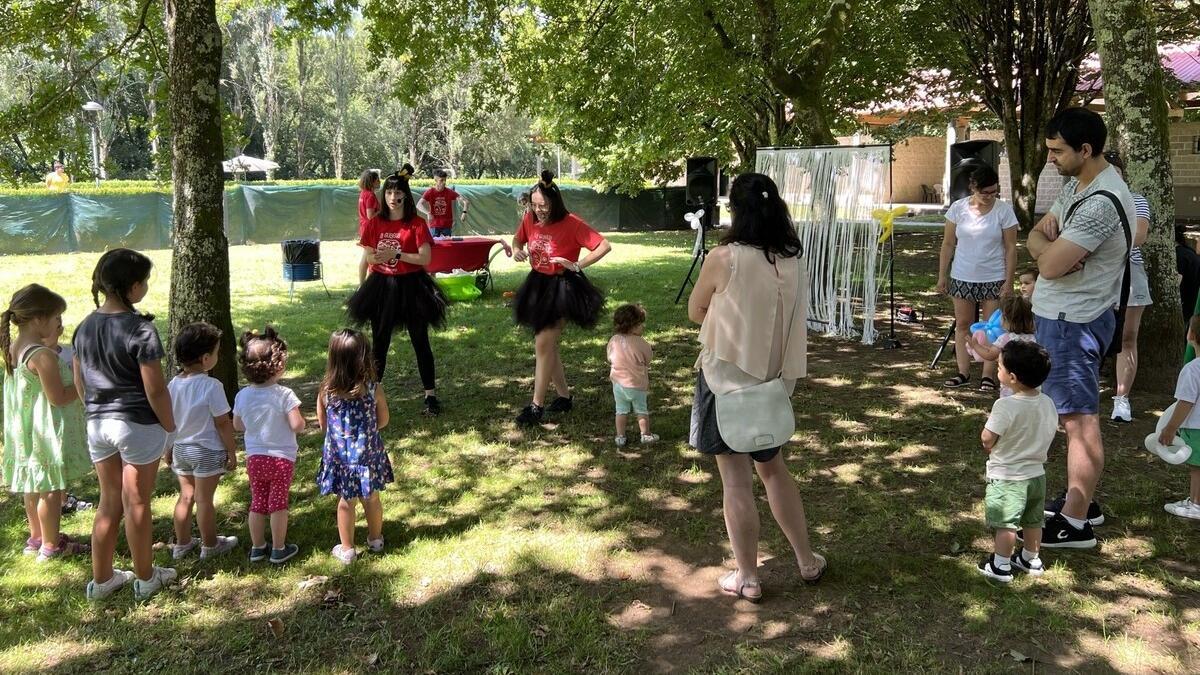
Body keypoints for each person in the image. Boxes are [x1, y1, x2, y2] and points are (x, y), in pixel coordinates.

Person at [687, 172, 825, 602]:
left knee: (735, 482)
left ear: (735, 210)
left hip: (723, 381)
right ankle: (806, 559)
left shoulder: (724, 257)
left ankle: (747, 576)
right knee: (774, 469)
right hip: (772, 382)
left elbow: (696, 312)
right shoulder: (791, 258)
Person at [1025, 107, 1135, 549]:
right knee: (1071, 416)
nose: (1050, 158)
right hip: (1064, 317)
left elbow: (1049, 264)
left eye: (1057, 150)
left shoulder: (1101, 202)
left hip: (1075, 322)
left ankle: (1075, 523)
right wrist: (1045, 244)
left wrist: (1046, 249)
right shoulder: (1076, 184)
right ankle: (1082, 502)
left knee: (1077, 420)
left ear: (1085, 150)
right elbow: (1037, 236)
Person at [72, 249, 177, 600]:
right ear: (133, 287)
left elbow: (80, 382)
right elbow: (156, 389)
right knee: (138, 504)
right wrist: (170, 426)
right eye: (144, 281)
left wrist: (96, 411)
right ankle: (146, 578)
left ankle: (101, 581)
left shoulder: (83, 326)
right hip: (136, 425)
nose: (146, 286)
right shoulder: (141, 329)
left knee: (108, 501)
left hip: (98, 424)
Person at [512, 170, 611, 426]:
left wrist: (577, 265)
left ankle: (537, 406)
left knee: (543, 345)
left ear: (554, 201)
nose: (538, 210)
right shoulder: (529, 218)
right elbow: (518, 239)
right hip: (537, 284)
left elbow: (604, 245)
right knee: (547, 345)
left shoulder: (572, 223)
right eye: (534, 205)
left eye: (542, 205)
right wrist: (516, 249)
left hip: (561, 287)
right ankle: (564, 397)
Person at [347, 165, 447, 416]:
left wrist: (397, 254)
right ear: (384, 195)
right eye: (389, 193)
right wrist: (378, 257)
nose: (393, 197)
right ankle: (372, 395)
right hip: (382, 286)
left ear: (405, 195)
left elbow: (424, 258)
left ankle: (430, 396)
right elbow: (368, 253)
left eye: (398, 193)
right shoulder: (374, 223)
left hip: (412, 286)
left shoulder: (416, 224)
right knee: (380, 342)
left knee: (420, 340)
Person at [2, 284, 91, 560]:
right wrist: (80, 382)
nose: (59, 324)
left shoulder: (15, 348)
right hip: (46, 435)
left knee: (33, 487)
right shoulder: (42, 356)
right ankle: (52, 546)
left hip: (25, 433)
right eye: (56, 319)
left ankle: (37, 538)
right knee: (51, 490)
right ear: (39, 319)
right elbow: (58, 397)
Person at [978, 340, 1058, 582]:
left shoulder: (1005, 405)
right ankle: (1031, 558)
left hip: (1008, 476)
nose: (997, 369)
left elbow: (987, 437)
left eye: (999, 367)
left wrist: (989, 445)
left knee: (1007, 523)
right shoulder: (1047, 402)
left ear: (1012, 377)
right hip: (1036, 475)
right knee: (1033, 520)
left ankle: (1001, 564)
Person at [937, 165, 1019, 391]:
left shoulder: (1004, 211)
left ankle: (988, 375)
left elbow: (1011, 248)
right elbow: (948, 244)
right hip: (962, 275)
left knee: (991, 327)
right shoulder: (958, 209)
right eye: (985, 192)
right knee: (963, 325)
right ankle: (963, 372)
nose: (990, 196)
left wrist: (1009, 281)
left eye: (994, 192)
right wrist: (942, 276)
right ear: (973, 188)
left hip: (994, 276)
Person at [316, 329, 392, 564]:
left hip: (340, 459)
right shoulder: (373, 389)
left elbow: (323, 426)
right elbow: (384, 420)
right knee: (372, 498)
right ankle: (375, 539)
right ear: (364, 358)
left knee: (345, 502)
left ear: (333, 359)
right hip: (368, 456)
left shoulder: (326, 392)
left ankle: (347, 548)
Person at [165, 322, 238, 560]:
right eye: (216, 353)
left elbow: (169, 421)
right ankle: (210, 544)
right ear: (206, 358)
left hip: (181, 450)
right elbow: (223, 422)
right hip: (207, 450)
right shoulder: (212, 386)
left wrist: (168, 447)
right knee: (204, 499)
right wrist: (231, 450)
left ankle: (182, 544)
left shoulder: (173, 385)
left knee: (185, 496)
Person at [233, 327, 304, 564]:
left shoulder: (242, 396)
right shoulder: (284, 394)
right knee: (278, 503)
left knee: (258, 501)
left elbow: (238, 425)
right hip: (281, 458)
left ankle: (257, 547)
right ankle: (279, 548)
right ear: (279, 364)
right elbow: (297, 425)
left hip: (255, 458)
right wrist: (300, 421)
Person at [1103, 152, 1152, 423]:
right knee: (1089, 333)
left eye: (1115, 172)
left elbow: (1139, 236)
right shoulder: (1085, 199)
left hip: (1129, 275)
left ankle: (1122, 399)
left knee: (1127, 337)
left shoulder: (1137, 200)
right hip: (1094, 276)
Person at [1155, 314, 1200, 521]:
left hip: (1196, 428)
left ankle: (1196, 504)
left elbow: (1185, 402)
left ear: (1191, 335)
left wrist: (1171, 427)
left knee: (1197, 467)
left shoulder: (1192, 370)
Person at [606, 304, 658, 447]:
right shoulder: (641, 343)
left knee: (620, 411)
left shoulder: (614, 340)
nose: (643, 327)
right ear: (633, 325)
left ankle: (620, 436)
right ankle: (645, 435)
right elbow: (648, 359)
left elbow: (610, 357)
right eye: (641, 324)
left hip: (618, 384)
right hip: (637, 384)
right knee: (641, 410)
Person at [967, 294, 1037, 399]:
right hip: (1030, 385)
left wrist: (975, 346)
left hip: (1010, 386)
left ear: (1005, 319)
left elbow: (990, 355)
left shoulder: (1005, 339)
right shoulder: (1033, 338)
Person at [418, 169, 470, 238]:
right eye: (441, 180)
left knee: (447, 245)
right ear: (436, 180)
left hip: (447, 225)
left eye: (445, 180)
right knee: (435, 246)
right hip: (434, 225)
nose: (444, 182)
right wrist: (428, 213)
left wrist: (464, 212)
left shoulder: (450, 192)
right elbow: (419, 205)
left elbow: (466, 201)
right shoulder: (430, 192)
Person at [357, 169, 381, 284]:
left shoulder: (363, 193)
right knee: (367, 258)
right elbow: (370, 216)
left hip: (364, 227)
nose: (379, 182)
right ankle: (363, 285)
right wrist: (382, 212)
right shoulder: (370, 195)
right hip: (369, 229)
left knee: (369, 256)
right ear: (372, 182)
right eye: (377, 180)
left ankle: (367, 284)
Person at [1177, 228, 1200, 321]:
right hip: (1193, 300)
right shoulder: (1190, 252)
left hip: (1187, 303)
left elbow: (1178, 279)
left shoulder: (1179, 254)